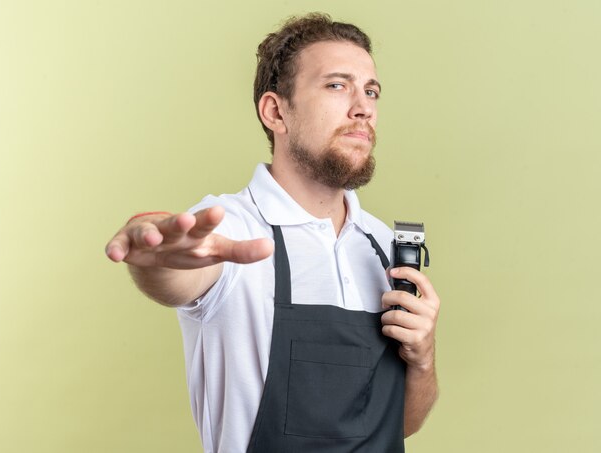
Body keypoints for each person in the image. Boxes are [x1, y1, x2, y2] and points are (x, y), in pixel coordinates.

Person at [106, 13, 440, 453]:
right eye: (337, 85)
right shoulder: (231, 227)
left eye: (371, 90)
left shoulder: (383, 247)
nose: (364, 107)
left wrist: (423, 359)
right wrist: (156, 252)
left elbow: (401, 425)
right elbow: (177, 273)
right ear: (276, 111)